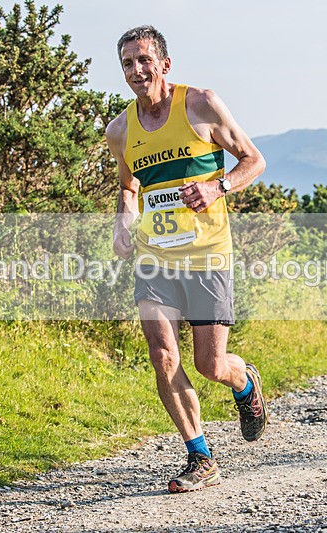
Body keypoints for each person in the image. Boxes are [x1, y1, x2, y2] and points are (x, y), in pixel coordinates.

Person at [105, 25, 268, 493]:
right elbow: (128, 186)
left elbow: (254, 160)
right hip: (155, 258)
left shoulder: (200, 104)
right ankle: (200, 454)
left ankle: (243, 380)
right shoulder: (121, 130)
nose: (137, 71)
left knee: (209, 365)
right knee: (162, 354)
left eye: (144, 60)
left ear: (164, 64)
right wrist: (123, 221)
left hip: (207, 255)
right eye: (127, 64)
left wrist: (218, 186)